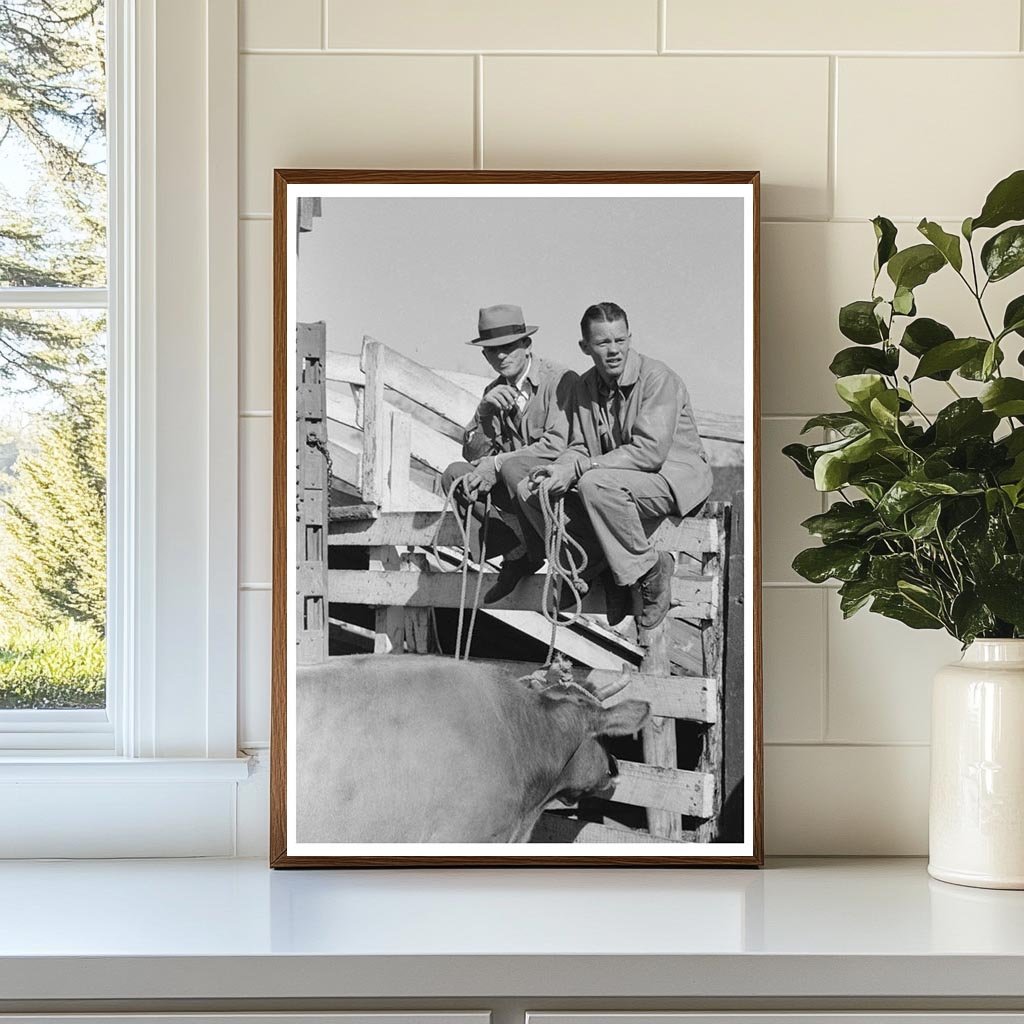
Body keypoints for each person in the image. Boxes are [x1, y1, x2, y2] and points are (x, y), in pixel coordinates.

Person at [516, 301, 713, 631]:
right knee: (531, 488)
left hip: (672, 478)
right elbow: (579, 445)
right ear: (585, 347)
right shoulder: (584, 386)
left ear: (630, 338)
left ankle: (651, 570)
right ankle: (595, 567)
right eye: (603, 343)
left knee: (595, 484)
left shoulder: (657, 378)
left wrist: (580, 469)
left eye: (620, 340)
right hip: (619, 480)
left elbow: (649, 453)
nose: (614, 350)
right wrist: (559, 469)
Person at [441, 304, 576, 604]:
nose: (501, 356)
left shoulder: (560, 381)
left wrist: (497, 462)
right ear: (484, 355)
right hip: (515, 492)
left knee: (513, 470)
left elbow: (558, 445)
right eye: (492, 350)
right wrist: (484, 412)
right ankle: (518, 554)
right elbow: (473, 454)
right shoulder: (494, 389)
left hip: (551, 488)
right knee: (455, 475)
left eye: (509, 347)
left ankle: (544, 557)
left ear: (527, 345)